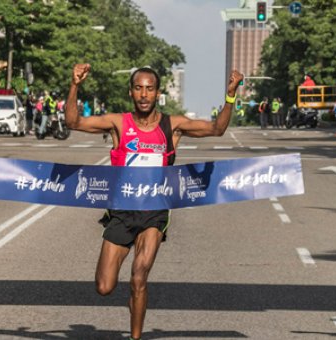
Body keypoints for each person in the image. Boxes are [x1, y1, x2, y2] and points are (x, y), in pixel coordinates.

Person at [65, 63, 243, 340]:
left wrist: (230, 96)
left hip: (154, 212)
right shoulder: (119, 124)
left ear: (158, 93)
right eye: (138, 88)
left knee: (139, 276)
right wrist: (75, 84)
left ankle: (136, 334)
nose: (144, 94)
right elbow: (73, 122)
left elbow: (216, 129)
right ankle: (134, 303)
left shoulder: (172, 126)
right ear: (131, 92)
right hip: (122, 212)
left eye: (149, 89)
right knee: (104, 286)